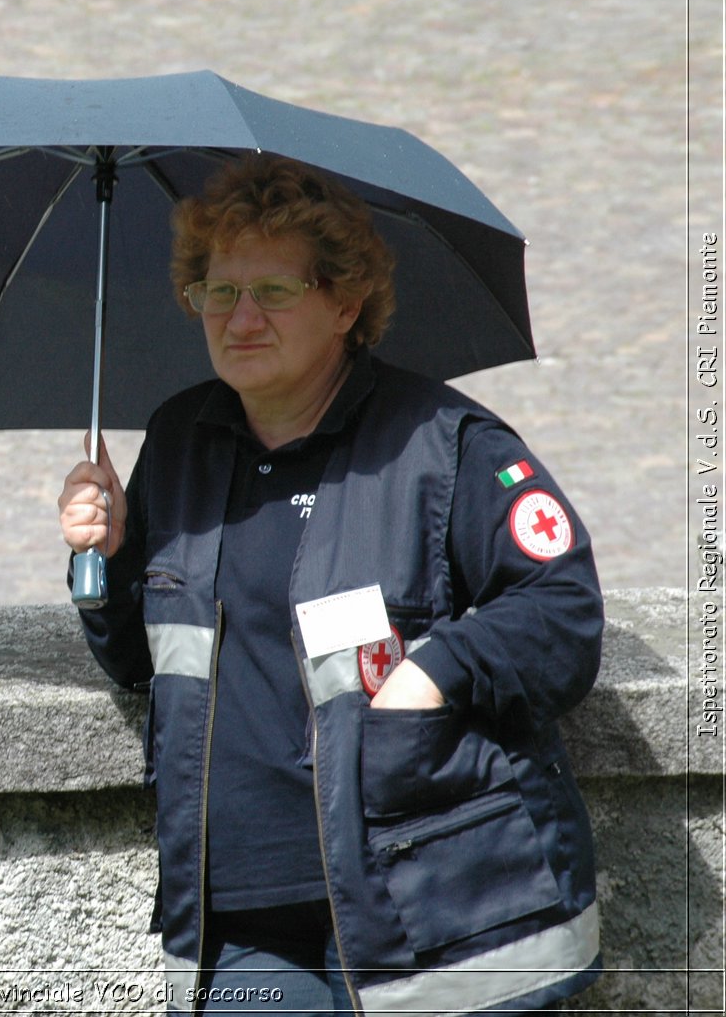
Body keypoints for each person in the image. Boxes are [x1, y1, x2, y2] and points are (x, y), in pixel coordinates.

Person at [57, 156, 602, 1016]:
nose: (238, 318)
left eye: (271, 292)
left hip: (425, 907)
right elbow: (142, 659)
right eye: (216, 290)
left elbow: (561, 610)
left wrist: (434, 675)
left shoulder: (444, 443)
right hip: (240, 920)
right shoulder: (181, 439)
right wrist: (109, 561)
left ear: (346, 303)